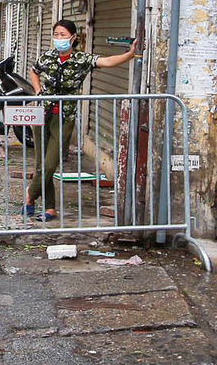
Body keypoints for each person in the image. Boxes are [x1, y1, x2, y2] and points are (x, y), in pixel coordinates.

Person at [24, 18, 137, 220]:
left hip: (64, 117)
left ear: (73, 37)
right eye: (56, 34)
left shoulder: (81, 60)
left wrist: (128, 55)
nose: (58, 39)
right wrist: (38, 90)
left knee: (50, 164)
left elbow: (106, 61)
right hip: (42, 114)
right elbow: (34, 71)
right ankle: (50, 208)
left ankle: (30, 194)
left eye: (63, 35)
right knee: (41, 164)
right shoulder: (47, 57)